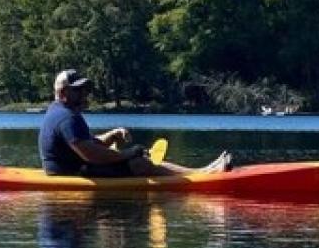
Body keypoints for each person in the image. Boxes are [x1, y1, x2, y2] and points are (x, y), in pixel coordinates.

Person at [39, 69, 230, 177]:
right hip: (71, 174)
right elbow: (92, 155)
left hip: (75, 168)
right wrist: (128, 154)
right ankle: (202, 175)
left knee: (137, 159)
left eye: (85, 89)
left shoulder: (61, 112)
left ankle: (202, 172)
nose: (84, 94)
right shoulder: (67, 118)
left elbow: (87, 143)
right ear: (63, 94)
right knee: (139, 163)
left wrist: (111, 135)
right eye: (78, 90)